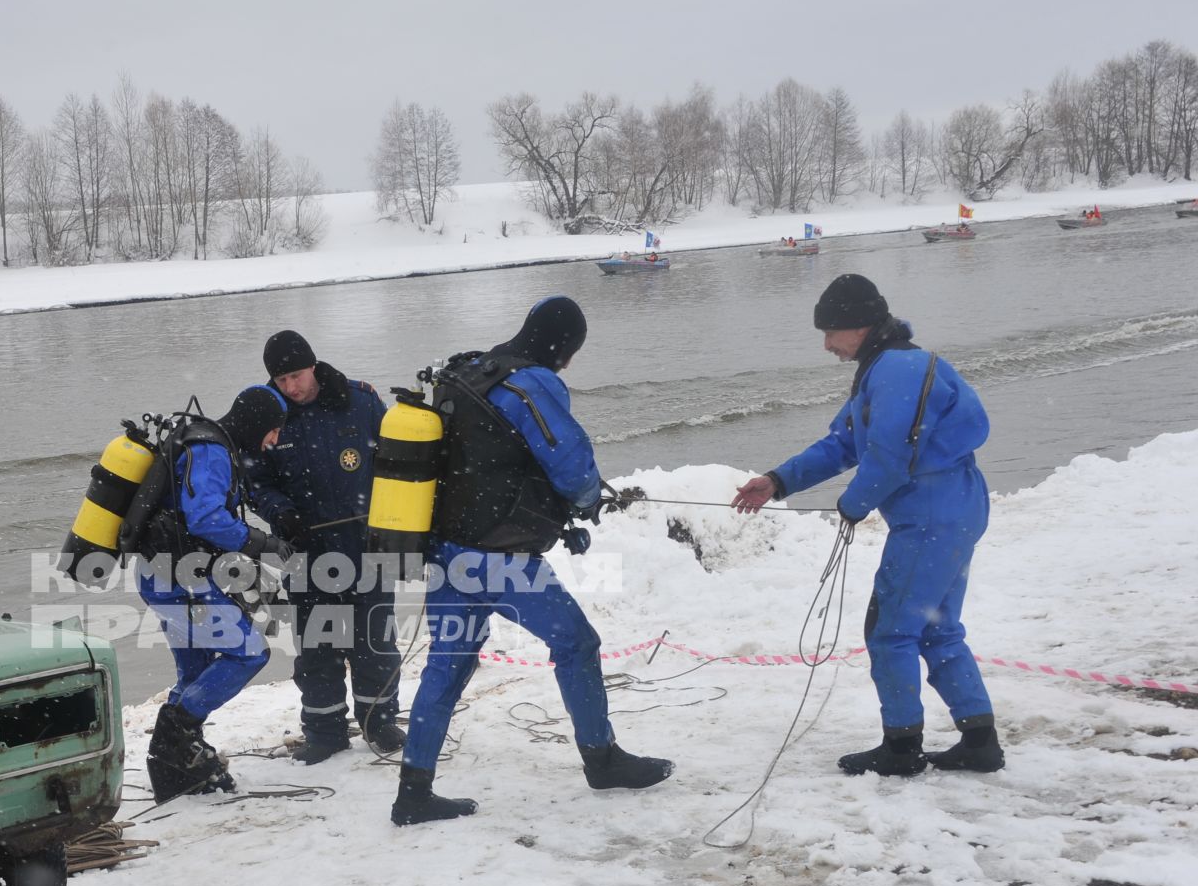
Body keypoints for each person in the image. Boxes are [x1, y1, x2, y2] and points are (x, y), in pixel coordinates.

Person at [394, 297, 674, 826]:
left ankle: (414, 791)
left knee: (447, 663)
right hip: (499, 559)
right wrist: (591, 498)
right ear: (563, 345)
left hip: (447, 551)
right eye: (571, 352)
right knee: (577, 643)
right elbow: (570, 463)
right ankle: (603, 760)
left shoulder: (472, 370)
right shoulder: (533, 382)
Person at [731, 274, 1002, 776]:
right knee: (937, 629)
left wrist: (853, 503)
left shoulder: (896, 370)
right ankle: (980, 742)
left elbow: (888, 459)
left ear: (858, 326)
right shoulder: (893, 364)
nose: (827, 345)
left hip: (931, 514)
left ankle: (900, 749)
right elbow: (844, 444)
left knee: (891, 631)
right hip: (953, 508)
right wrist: (778, 481)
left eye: (830, 333)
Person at [245, 329, 406, 764]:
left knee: (374, 639)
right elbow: (254, 481)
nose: (290, 388)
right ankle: (324, 730)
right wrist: (282, 513)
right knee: (318, 646)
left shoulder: (361, 401)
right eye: (281, 380)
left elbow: (396, 463)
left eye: (296, 376)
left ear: (312, 366)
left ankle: (380, 720)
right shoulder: (266, 415)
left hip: (366, 544)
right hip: (305, 550)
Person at [137, 386, 293, 801]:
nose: (274, 440)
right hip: (181, 581)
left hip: (163, 576)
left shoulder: (205, 440)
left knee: (196, 671)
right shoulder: (211, 451)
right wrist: (261, 542)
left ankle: (175, 767)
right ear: (257, 423)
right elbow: (206, 518)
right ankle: (175, 737)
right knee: (248, 653)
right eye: (274, 430)